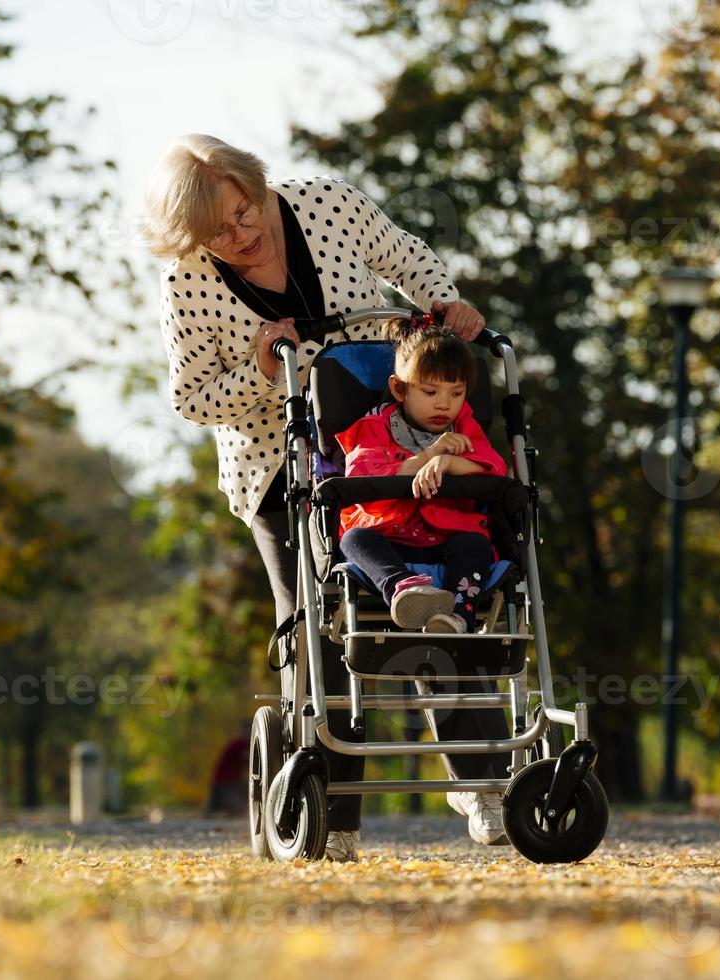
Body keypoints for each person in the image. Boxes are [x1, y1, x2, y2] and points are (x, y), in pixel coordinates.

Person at [143, 134, 492, 862]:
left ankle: (478, 774)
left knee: (429, 595)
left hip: (385, 444)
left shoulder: (326, 203)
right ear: (190, 238)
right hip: (277, 465)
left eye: (246, 212)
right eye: (220, 232)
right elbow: (191, 396)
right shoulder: (188, 285)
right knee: (319, 622)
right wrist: (268, 370)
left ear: (256, 185)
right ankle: (335, 821)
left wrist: (445, 304)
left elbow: (404, 256)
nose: (243, 234)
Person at [332, 321, 514, 843]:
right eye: (431, 392)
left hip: (447, 548)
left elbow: (493, 470)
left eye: (456, 393)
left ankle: (455, 612)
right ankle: (404, 591)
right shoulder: (371, 428)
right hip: (390, 542)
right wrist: (424, 461)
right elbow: (363, 481)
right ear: (400, 389)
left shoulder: (466, 428)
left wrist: (455, 459)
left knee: (478, 546)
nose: (444, 404)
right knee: (354, 541)